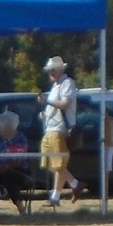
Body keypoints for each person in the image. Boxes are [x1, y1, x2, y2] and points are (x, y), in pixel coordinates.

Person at [37, 56, 84, 207]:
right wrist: (45, 114)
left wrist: (48, 102)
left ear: (60, 70)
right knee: (54, 165)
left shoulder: (67, 83)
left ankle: (71, 187)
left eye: (52, 70)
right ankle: (63, 192)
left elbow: (65, 104)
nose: (50, 73)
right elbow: (55, 106)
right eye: (49, 70)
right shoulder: (55, 86)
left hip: (59, 129)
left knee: (58, 165)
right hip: (50, 128)